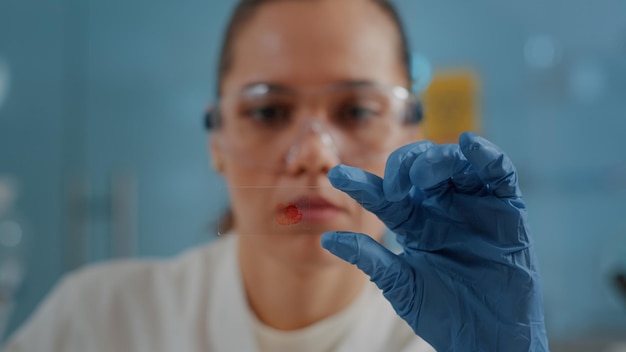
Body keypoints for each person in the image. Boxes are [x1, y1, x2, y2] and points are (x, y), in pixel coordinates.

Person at [3, 0, 548, 351]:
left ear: (411, 136)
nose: (312, 155)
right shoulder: (98, 324)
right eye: (268, 111)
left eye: (357, 110)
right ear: (216, 141)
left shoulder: (454, 337)